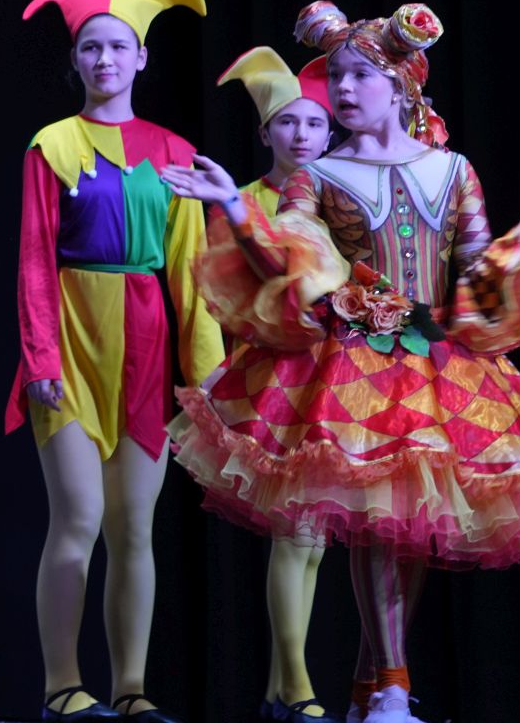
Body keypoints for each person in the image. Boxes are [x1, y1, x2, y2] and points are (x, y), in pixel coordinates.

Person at [163, 2, 520, 723]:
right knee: (378, 521)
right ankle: (395, 686)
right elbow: (291, 262)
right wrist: (238, 210)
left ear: (402, 85)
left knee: (409, 530)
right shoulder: (318, 175)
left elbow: (478, 275)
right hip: (353, 363)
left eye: (359, 76)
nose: (342, 90)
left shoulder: (453, 170)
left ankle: (370, 691)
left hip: (438, 359)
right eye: (336, 76)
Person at [7, 0, 221, 722]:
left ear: (142, 58)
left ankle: (131, 689)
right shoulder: (52, 145)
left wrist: (208, 375)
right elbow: (35, 259)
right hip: (70, 339)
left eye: (117, 46)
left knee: (135, 530)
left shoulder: (175, 151)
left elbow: (193, 270)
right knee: (78, 520)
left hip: (147, 344)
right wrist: (40, 356)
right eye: (91, 48)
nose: (104, 59)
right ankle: (62, 687)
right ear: (76, 60)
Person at [212, 47, 339, 721]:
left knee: (312, 537)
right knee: (295, 530)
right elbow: (215, 294)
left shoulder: (340, 200)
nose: (302, 135)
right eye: (287, 123)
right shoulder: (243, 202)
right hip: (270, 377)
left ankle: (276, 693)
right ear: (265, 133)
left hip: (333, 378)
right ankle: (297, 689)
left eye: (315, 124)